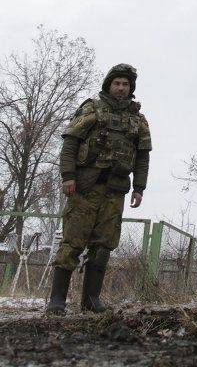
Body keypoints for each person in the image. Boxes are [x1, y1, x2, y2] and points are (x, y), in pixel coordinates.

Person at [47, 64, 151, 315]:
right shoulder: (92, 108)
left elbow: (143, 156)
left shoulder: (137, 119)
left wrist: (139, 187)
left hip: (114, 190)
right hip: (85, 187)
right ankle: (57, 300)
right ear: (109, 84)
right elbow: (71, 143)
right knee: (73, 242)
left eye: (126, 84)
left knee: (104, 244)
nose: (121, 88)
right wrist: (68, 176)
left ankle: (91, 299)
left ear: (131, 88)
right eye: (117, 83)